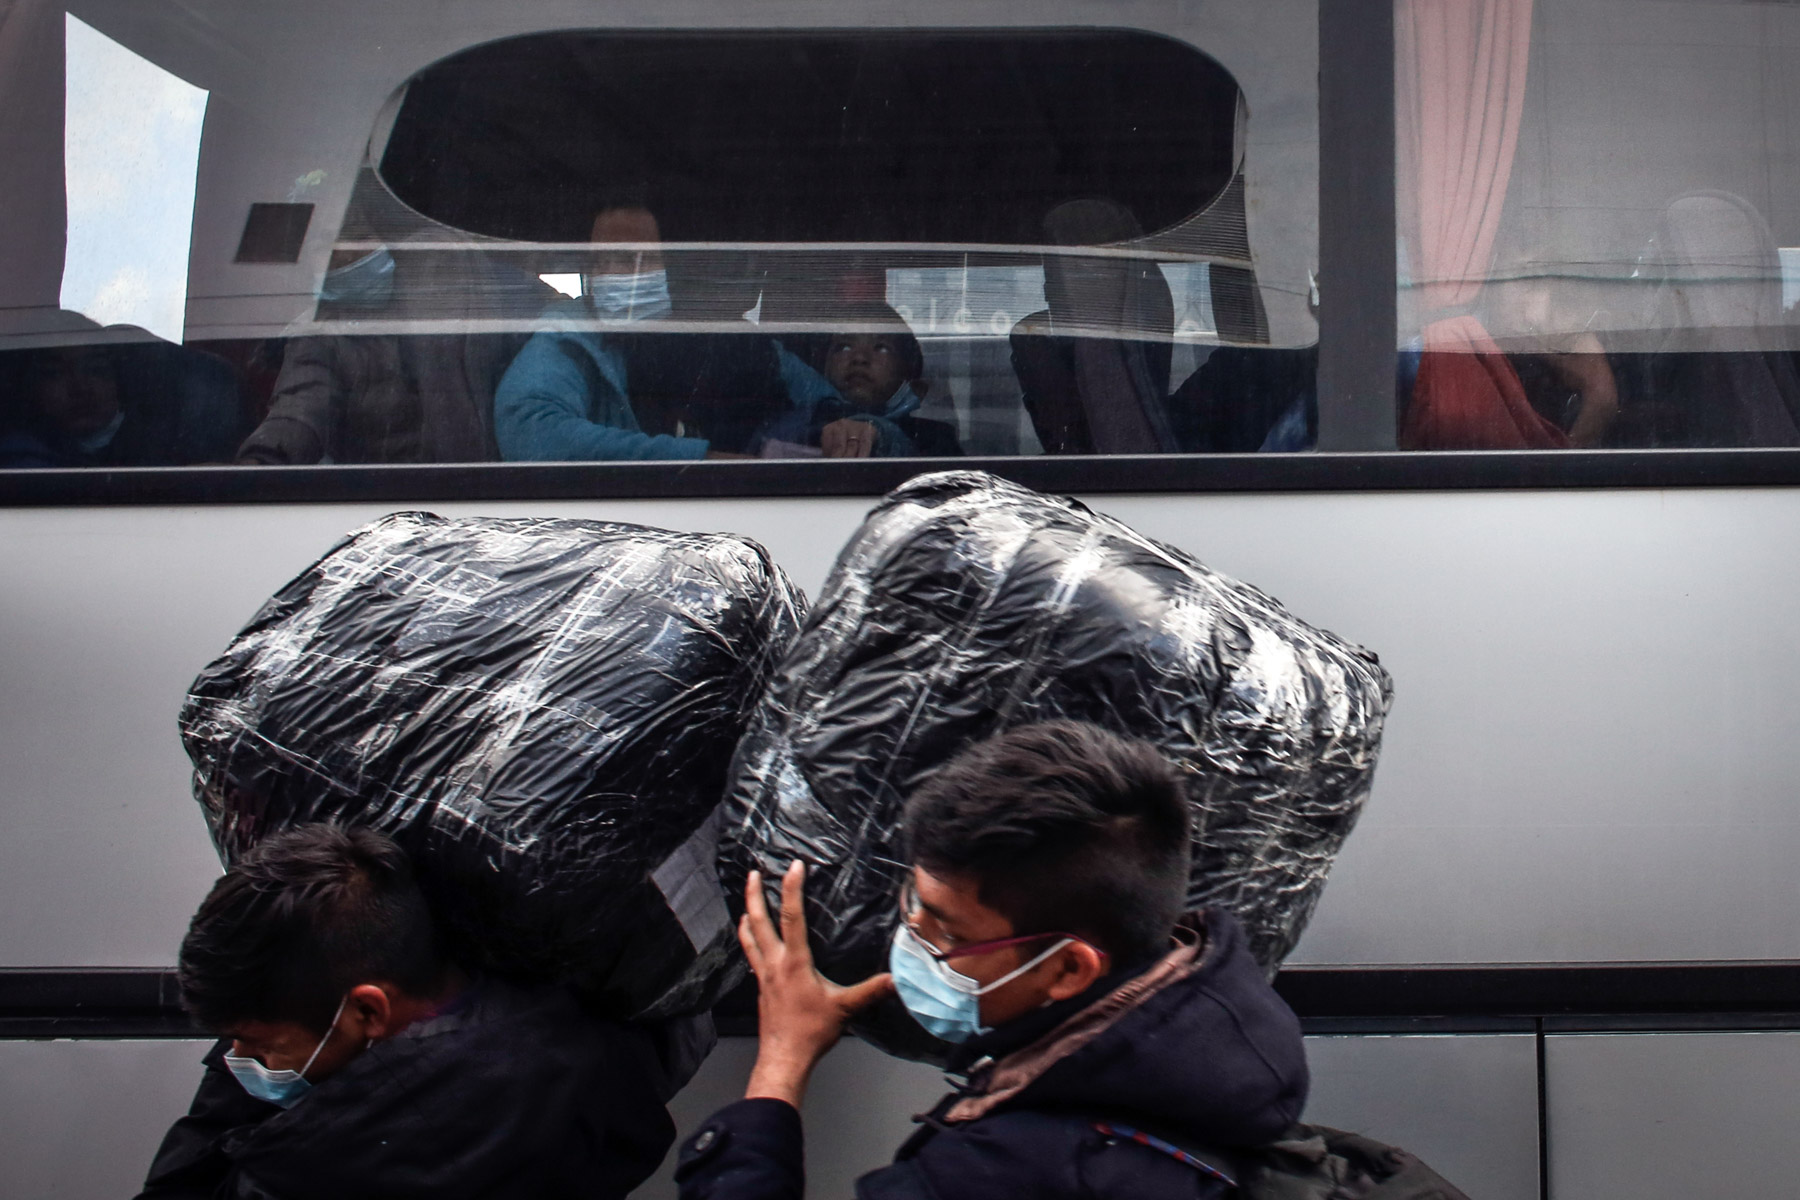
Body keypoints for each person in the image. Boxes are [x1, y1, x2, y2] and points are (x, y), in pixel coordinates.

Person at [675, 721, 1309, 1200]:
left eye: (945, 931)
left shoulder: (1004, 1175)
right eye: (912, 904)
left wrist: (781, 1064)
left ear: (1069, 970)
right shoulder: (1226, 1050)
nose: (911, 940)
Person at [134, 824, 687, 1200]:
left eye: (258, 1044)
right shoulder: (566, 1041)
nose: (238, 1062)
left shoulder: (320, 1171)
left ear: (369, 1012)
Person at [235, 244, 552, 465]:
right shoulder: (320, 336)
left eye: (359, 237)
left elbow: (546, 333)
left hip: (491, 492)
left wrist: (573, 313)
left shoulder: (453, 281)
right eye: (331, 251)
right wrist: (263, 460)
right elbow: (300, 409)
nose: (348, 254)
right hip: (389, 502)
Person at [0, 335, 244, 468]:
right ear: (30, 387)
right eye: (54, 373)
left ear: (120, 379)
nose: (80, 387)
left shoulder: (172, 453)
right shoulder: (18, 466)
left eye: (95, 369)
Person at [762, 305, 962, 457]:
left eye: (881, 347)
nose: (860, 358)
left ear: (915, 389)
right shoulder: (791, 424)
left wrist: (882, 436)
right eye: (844, 347)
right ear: (824, 370)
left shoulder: (934, 438)